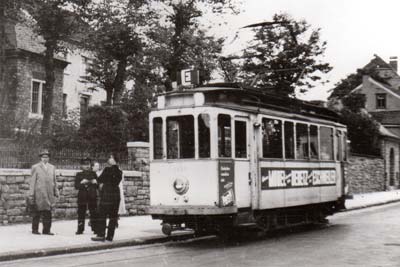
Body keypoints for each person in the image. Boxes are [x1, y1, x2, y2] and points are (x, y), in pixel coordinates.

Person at [28, 149, 59, 235]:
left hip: (49, 194)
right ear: (40, 158)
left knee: (48, 213)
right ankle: (35, 230)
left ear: (49, 158)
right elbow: (32, 182)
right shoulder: (35, 167)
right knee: (37, 212)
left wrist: (56, 191)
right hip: (39, 194)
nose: (45, 158)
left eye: (47, 157)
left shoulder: (52, 167)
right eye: (43, 157)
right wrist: (31, 195)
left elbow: (54, 180)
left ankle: (46, 230)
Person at [92, 155, 122, 242]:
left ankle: (101, 234)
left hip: (107, 195)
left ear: (114, 160)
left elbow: (99, 179)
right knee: (113, 217)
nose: (109, 158)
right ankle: (110, 236)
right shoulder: (120, 172)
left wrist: (94, 178)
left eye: (111, 157)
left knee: (102, 215)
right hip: (116, 195)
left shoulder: (107, 169)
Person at [75, 157, 98, 235]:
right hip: (82, 196)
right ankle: (80, 229)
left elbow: (98, 185)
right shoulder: (79, 174)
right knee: (81, 212)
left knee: (94, 212)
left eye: (88, 164)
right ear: (81, 166)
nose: (87, 166)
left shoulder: (93, 174)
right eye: (85, 165)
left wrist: (95, 182)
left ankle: (95, 228)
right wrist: (82, 183)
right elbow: (76, 186)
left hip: (92, 196)